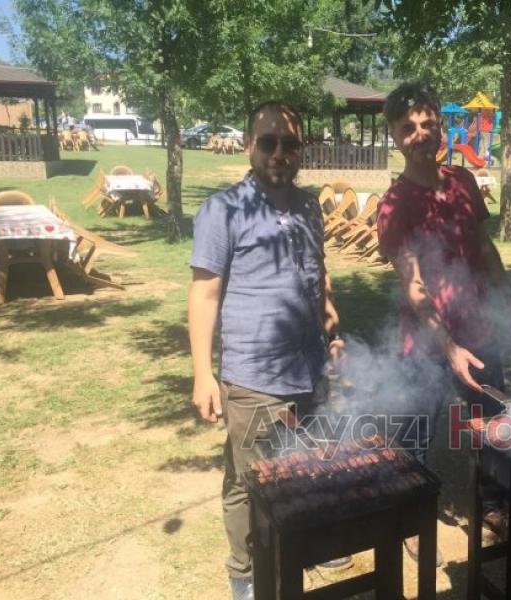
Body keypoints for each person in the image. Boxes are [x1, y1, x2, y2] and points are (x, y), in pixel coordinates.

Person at [188, 101, 345, 600]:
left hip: (310, 367)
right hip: (253, 377)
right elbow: (204, 293)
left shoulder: (307, 205)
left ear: (302, 149)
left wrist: (333, 328)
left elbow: (317, 274)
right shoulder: (223, 209)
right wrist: (202, 374)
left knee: (308, 464)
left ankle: (305, 542)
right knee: (249, 482)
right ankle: (246, 571)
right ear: (249, 146)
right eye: (269, 142)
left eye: (290, 144)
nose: (280, 152)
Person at [376, 82, 511, 564]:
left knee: (492, 424)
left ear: (439, 125)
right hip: (427, 341)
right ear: (394, 135)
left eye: (427, 123)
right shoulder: (393, 205)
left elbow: (485, 246)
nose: (420, 133)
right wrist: (449, 346)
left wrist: (507, 296)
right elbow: (414, 288)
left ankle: (496, 505)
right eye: (408, 127)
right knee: (415, 432)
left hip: (481, 329)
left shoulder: (463, 182)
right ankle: (411, 518)